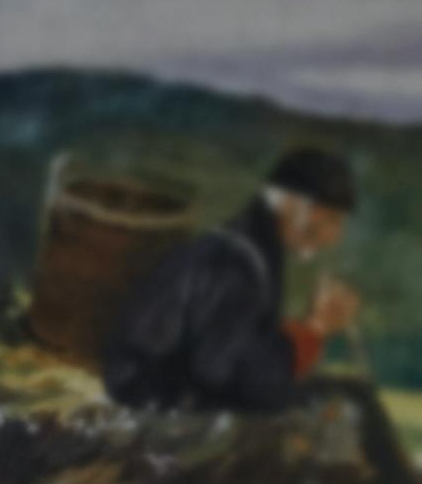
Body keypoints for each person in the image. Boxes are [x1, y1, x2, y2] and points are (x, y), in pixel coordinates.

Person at [104, 145, 365, 413]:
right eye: (331, 218)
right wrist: (315, 329)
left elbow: (231, 350)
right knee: (347, 406)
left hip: (170, 392)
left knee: (346, 397)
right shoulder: (235, 266)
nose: (335, 237)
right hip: (158, 406)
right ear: (289, 203)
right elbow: (232, 376)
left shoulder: (245, 250)